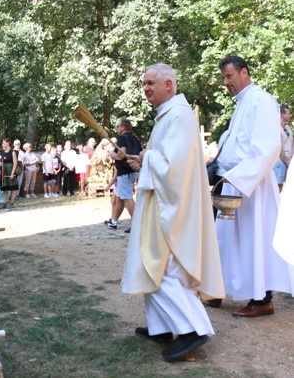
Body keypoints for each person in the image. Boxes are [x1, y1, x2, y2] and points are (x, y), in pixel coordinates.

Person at [122, 63, 224, 362]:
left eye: (151, 83)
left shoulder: (179, 116)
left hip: (171, 206)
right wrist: (143, 160)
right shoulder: (168, 114)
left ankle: (193, 329)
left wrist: (147, 159)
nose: (146, 89)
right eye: (144, 84)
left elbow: (175, 167)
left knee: (160, 266)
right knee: (153, 262)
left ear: (170, 84)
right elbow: (162, 158)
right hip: (160, 200)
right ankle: (162, 326)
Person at [211, 55, 294, 316]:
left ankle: (262, 300)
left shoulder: (260, 100)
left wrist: (240, 176)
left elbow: (267, 146)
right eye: (224, 77)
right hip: (234, 180)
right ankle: (218, 290)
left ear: (244, 72)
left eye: (229, 76)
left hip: (252, 185)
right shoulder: (243, 102)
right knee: (226, 239)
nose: (226, 82)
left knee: (253, 240)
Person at [104, 119, 141, 232]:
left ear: (124, 127)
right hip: (133, 170)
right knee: (120, 197)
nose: (117, 129)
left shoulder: (122, 138)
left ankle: (137, 225)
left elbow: (120, 155)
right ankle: (113, 222)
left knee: (127, 198)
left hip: (124, 172)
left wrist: (112, 153)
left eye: (118, 126)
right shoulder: (135, 139)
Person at [273, 105, 292, 191]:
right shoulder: (276, 128)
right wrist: (287, 161)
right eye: (288, 113)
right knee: (278, 186)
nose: (290, 115)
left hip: (289, 161)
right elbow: (278, 148)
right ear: (282, 114)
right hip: (280, 162)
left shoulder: (289, 129)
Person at [0, 139, 19, 209]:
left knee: (13, 188)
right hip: (4, 172)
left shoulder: (13, 152)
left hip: (11, 170)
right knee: (5, 189)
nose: (2, 144)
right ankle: (4, 203)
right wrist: (0, 163)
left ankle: (12, 203)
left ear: (7, 143)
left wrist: (12, 173)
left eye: (3, 143)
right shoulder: (2, 152)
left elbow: (15, 163)